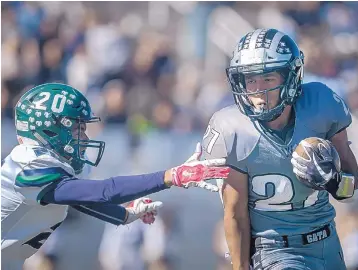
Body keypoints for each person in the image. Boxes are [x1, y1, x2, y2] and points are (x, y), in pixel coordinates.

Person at [1, 83, 230, 270]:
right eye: (77, 128)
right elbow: (103, 191)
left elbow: (84, 200)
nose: (84, 137)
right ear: (49, 128)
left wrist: (126, 215)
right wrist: (170, 176)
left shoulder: (45, 165)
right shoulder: (32, 166)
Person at [202, 28, 358, 270]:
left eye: (268, 78)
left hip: (326, 243)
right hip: (273, 250)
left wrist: (332, 179)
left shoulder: (321, 104)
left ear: (290, 77)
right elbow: (235, 214)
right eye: (251, 79)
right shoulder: (232, 128)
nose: (258, 89)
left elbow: (352, 189)